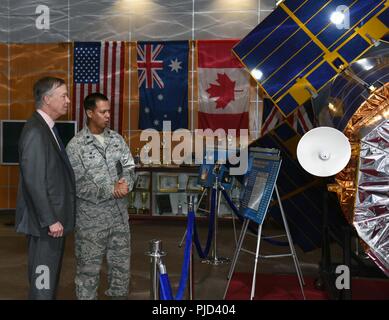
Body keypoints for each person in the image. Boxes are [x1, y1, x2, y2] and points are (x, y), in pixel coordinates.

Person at [66, 93, 135, 300]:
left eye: (109, 111)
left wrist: (126, 183)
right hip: (91, 223)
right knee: (88, 273)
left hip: (119, 219)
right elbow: (77, 184)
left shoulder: (117, 139)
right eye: (102, 112)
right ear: (89, 113)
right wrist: (110, 189)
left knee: (121, 272)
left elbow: (130, 168)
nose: (107, 116)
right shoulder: (76, 146)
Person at [15, 77, 76, 300]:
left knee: (48, 284)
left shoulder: (46, 128)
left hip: (49, 225)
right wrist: (50, 219)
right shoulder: (35, 131)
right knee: (43, 286)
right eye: (63, 95)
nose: (68, 100)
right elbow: (34, 181)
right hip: (45, 227)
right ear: (47, 99)